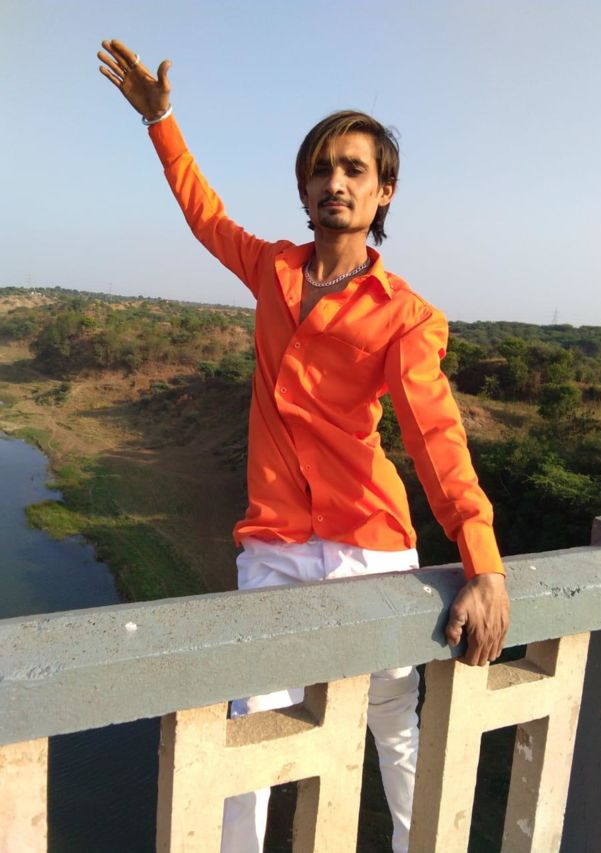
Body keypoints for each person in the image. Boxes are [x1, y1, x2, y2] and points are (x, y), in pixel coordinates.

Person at [98, 39, 510, 853]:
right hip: (275, 547)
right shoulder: (274, 271)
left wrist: (483, 560)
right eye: (322, 169)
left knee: (392, 727)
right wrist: (160, 122)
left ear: (383, 191)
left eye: (355, 169)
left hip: (371, 547)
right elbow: (207, 216)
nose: (336, 182)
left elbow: (435, 436)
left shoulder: (403, 314)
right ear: (304, 188)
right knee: (250, 730)